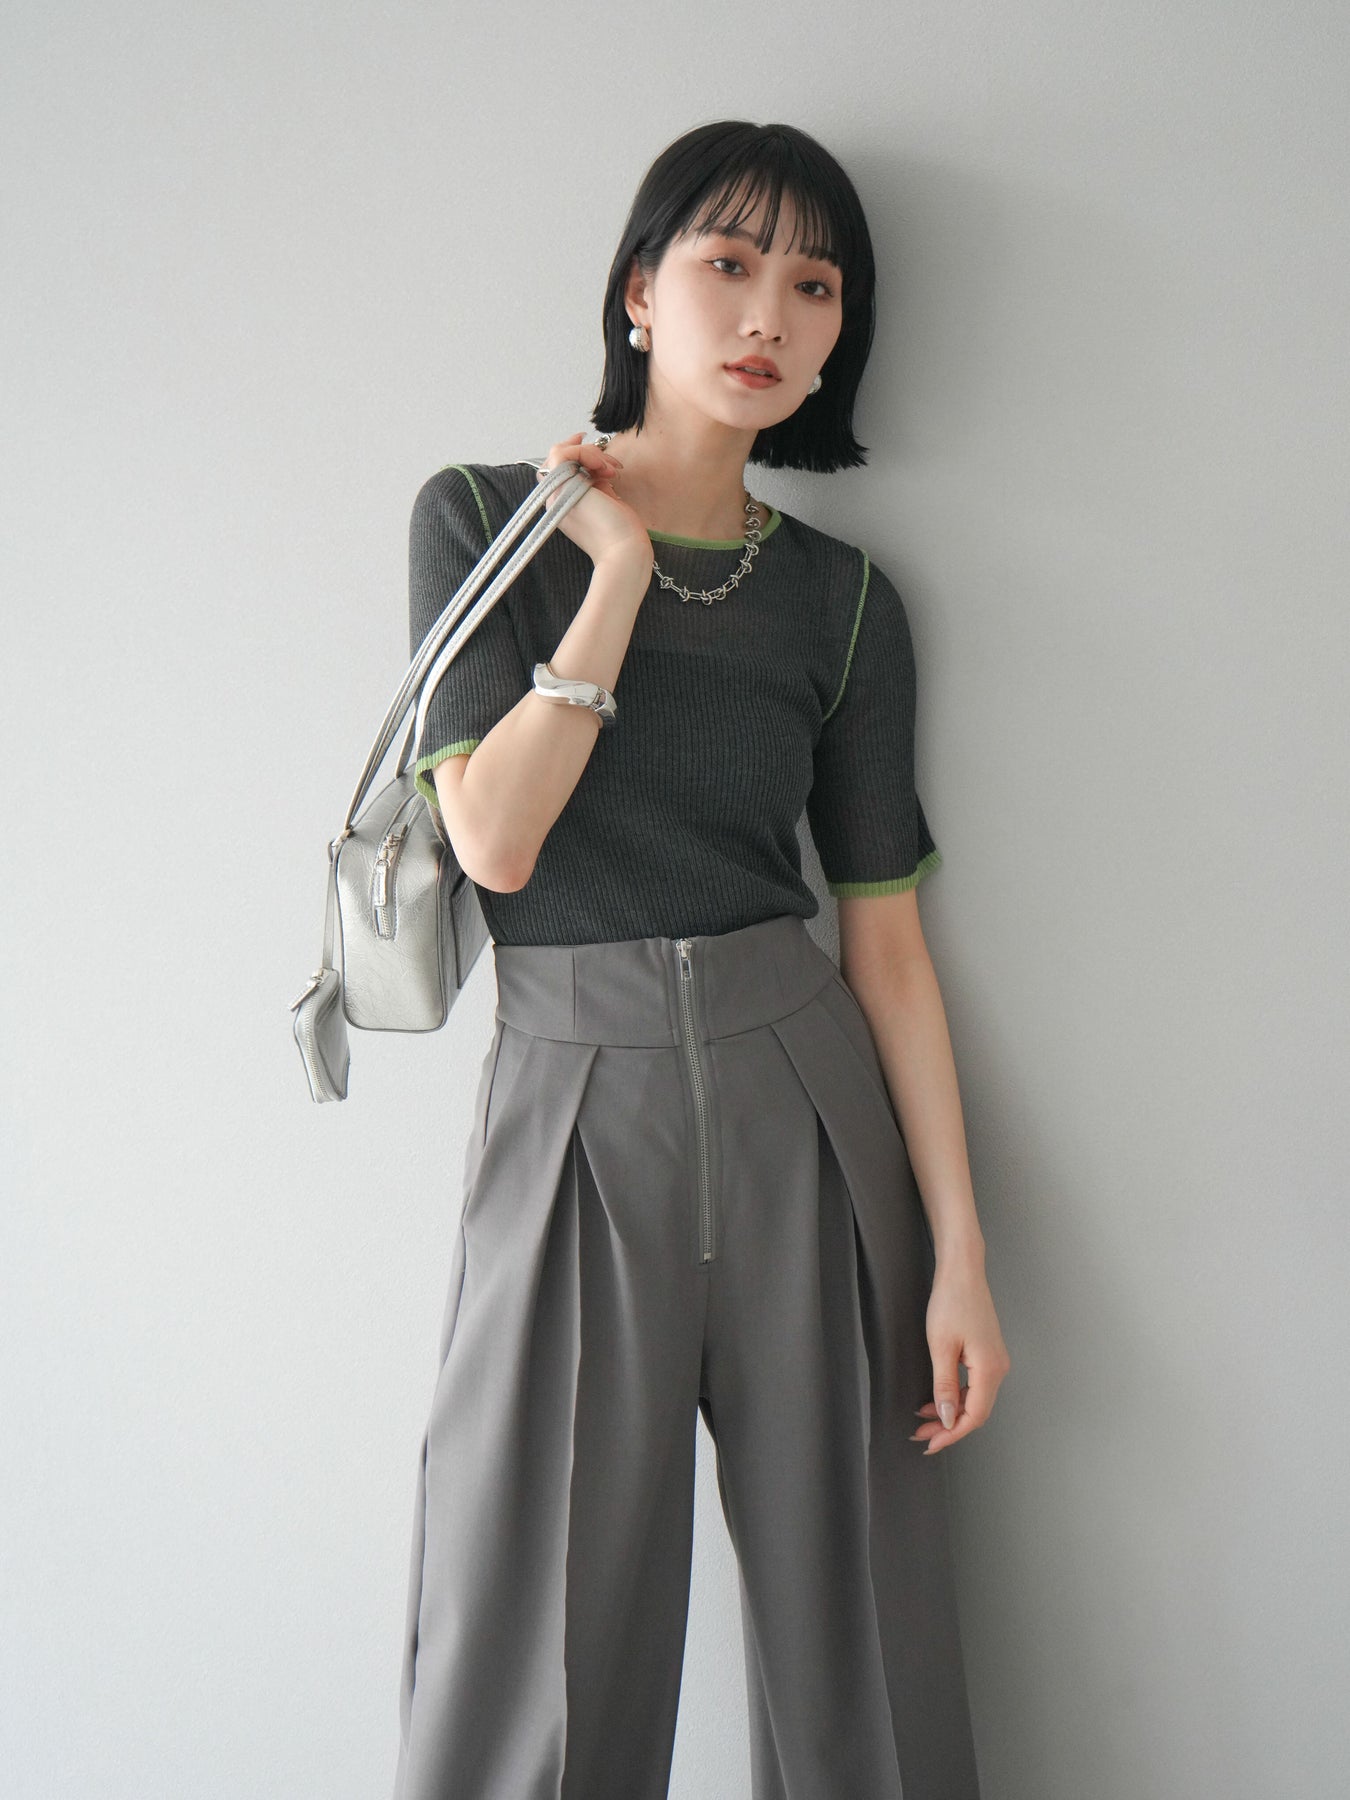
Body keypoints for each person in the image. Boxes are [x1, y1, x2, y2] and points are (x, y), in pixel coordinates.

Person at [392, 119, 1010, 1800]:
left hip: (805, 1105)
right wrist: (610, 579)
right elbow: (493, 842)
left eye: (814, 287)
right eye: (727, 264)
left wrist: (959, 1256)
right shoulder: (483, 523)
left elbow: (885, 943)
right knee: (532, 1636)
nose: (768, 316)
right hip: (573, 1108)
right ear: (638, 293)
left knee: (861, 1637)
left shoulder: (846, 602)